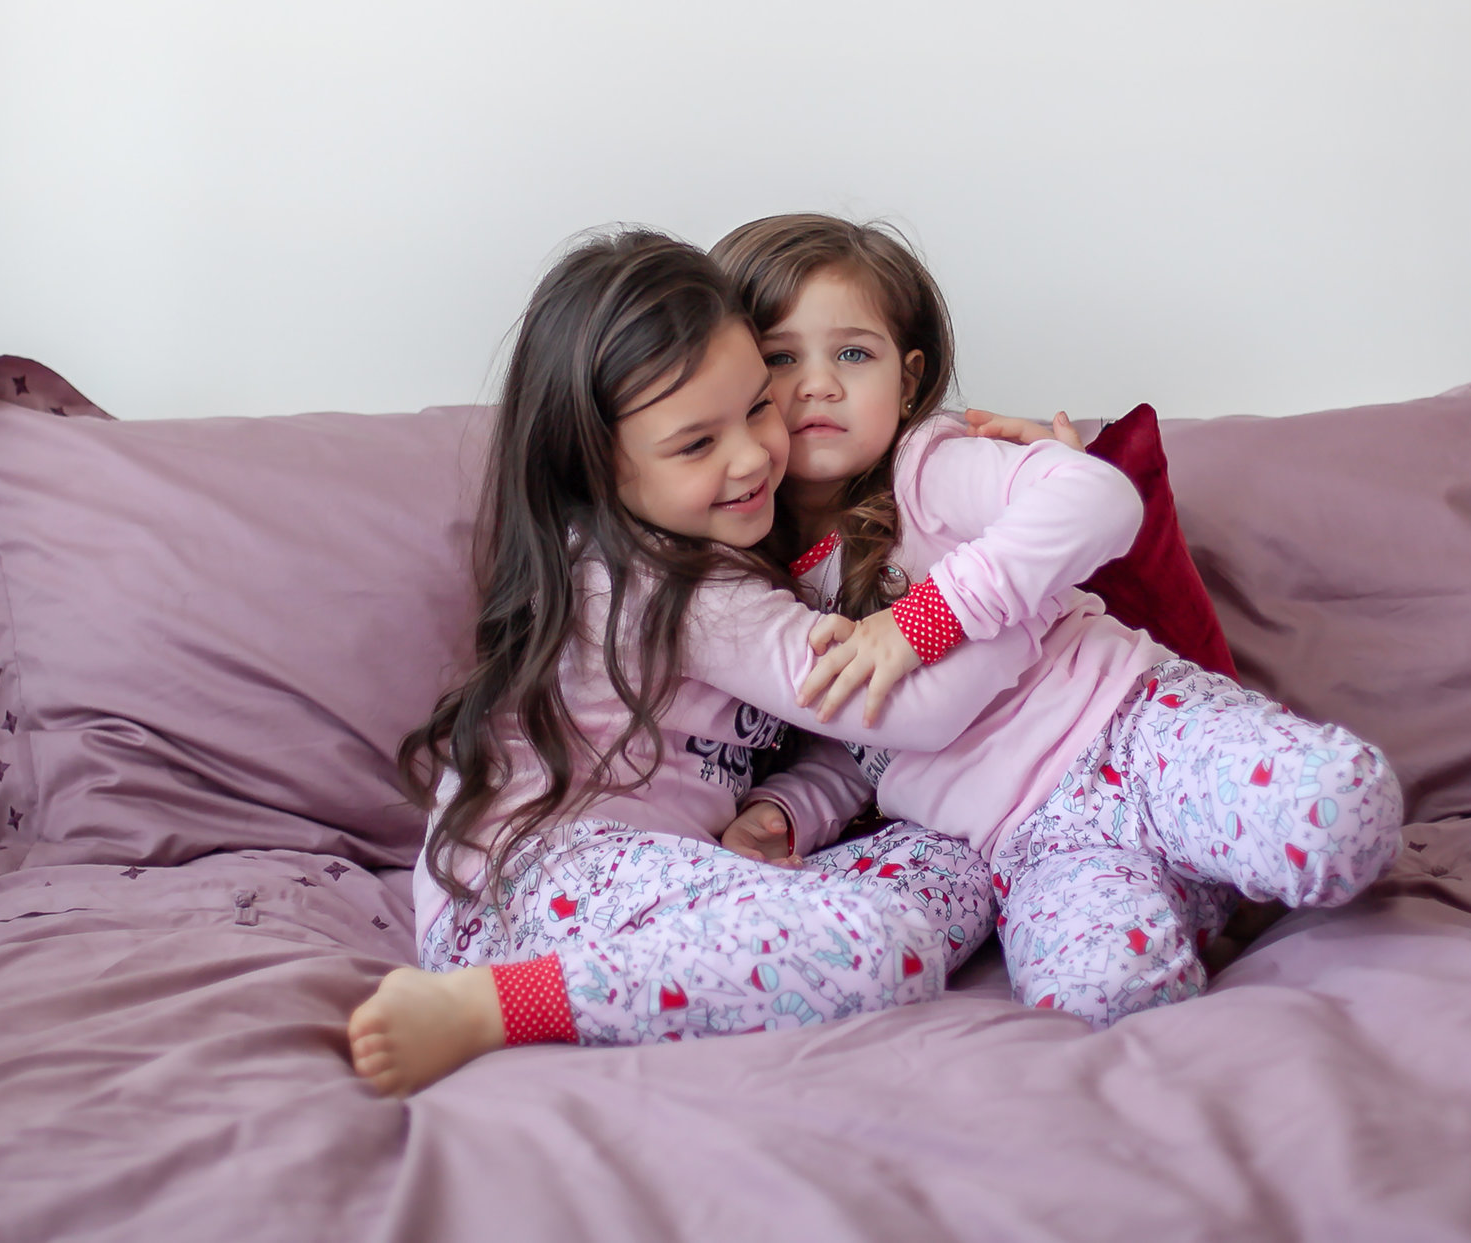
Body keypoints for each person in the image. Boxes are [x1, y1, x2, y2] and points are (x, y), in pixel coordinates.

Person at [346, 231, 1019, 1096]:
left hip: (665, 876)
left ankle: (727, 969)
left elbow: (847, 748)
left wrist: (783, 811)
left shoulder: (733, 552)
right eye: (697, 444)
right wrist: (1019, 580)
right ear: (597, 467)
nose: (752, 455)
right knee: (885, 946)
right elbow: (896, 711)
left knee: (959, 862)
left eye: (758, 406)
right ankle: (488, 1008)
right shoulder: (664, 583)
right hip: (531, 891)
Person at [707, 214, 1405, 1028]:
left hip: (1136, 729)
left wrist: (924, 618)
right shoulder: (756, 585)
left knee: (1340, 812)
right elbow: (860, 743)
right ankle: (1202, 884)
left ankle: (1218, 845)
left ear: (908, 376)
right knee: (1102, 1001)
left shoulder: (929, 466)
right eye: (781, 358)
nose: (816, 385)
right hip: (1030, 838)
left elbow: (1098, 497)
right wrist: (789, 809)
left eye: (853, 354)